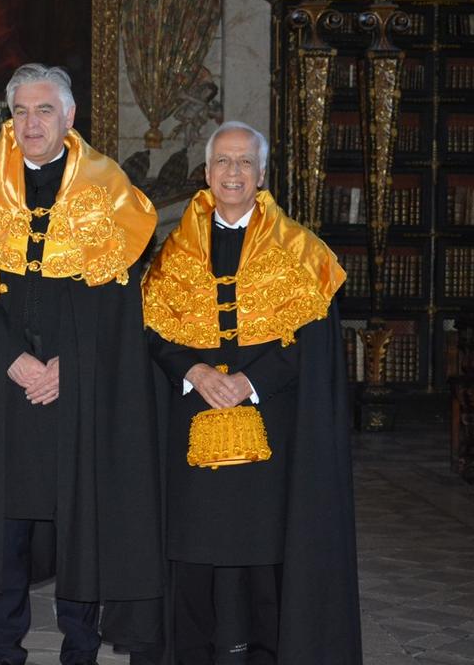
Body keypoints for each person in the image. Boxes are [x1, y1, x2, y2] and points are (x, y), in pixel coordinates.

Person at [0, 63, 163, 665]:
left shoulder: (111, 192)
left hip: (80, 392)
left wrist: (68, 370)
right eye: (22, 111)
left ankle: (80, 647)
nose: (32, 123)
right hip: (4, 391)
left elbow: (117, 303)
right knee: (5, 528)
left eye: (45, 110)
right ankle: (4, 648)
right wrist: (12, 360)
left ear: (70, 116)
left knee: (80, 521)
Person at [136, 121, 361, 664]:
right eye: (222, 162)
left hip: (274, 433)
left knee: (266, 560)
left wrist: (247, 380)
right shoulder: (174, 250)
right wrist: (195, 371)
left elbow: (310, 343)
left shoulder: (301, 252)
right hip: (192, 428)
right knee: (191, 557)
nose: (232, 173)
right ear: (207, 172)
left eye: (244, 163)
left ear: (262, 175)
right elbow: (153, 333)